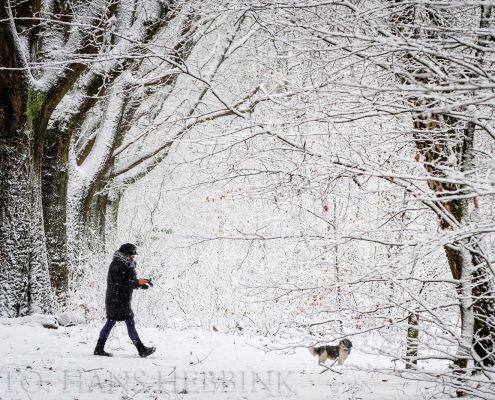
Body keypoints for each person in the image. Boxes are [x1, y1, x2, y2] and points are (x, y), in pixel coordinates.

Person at [93, 243, 156, 358]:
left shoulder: (124, 264)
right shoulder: (117, 266)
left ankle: (99, 348)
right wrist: (137, 283)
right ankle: (141, 350)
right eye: (131, 255)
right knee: (129, 322)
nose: (133, 257)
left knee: (111, 322)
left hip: (119, 299)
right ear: (126, 254)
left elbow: (127, 281)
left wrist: (141, 284)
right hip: (117, 300)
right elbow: (122, 283)